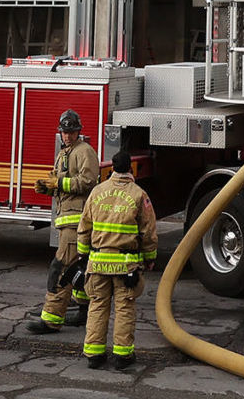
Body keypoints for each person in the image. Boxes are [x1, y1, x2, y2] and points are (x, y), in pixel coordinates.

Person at [76, 150, 157, 370]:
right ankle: (122, 356)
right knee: (124, 307)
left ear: (111, 169)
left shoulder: (97, 192)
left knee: (98, 306)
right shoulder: (139, 195)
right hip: (126, 267)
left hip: (98, 262)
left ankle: (94, 354)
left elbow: (84, 228)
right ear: (131, 169)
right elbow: (148, 232)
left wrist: (83, 256)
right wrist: (150, 258)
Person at [25, 110, 98, 333]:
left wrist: (59, 183)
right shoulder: (65, 153)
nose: (67, 135)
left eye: (71, 131)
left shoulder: (84, 151)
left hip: (76, 222)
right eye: (64, 132)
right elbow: (61, 185)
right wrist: (48, 187)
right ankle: (83, 313)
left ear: (78, 131)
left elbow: (87, 181)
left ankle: (51, 319)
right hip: (67, 219)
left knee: (61, 268)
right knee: (78, 268)